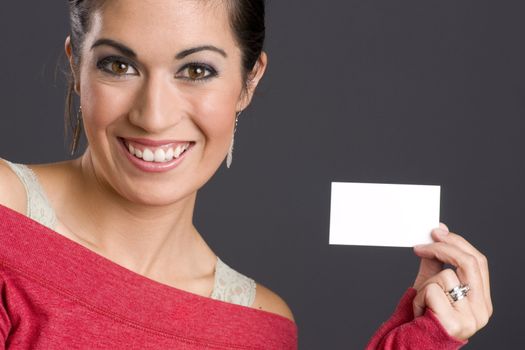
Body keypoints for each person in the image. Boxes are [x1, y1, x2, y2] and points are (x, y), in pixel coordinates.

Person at [0, 0, 491, 348]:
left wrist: (420, 342)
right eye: (118, 65)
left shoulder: (259, 327)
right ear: (77, 68)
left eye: (196, 71)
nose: (153, 116)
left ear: (248, 82)